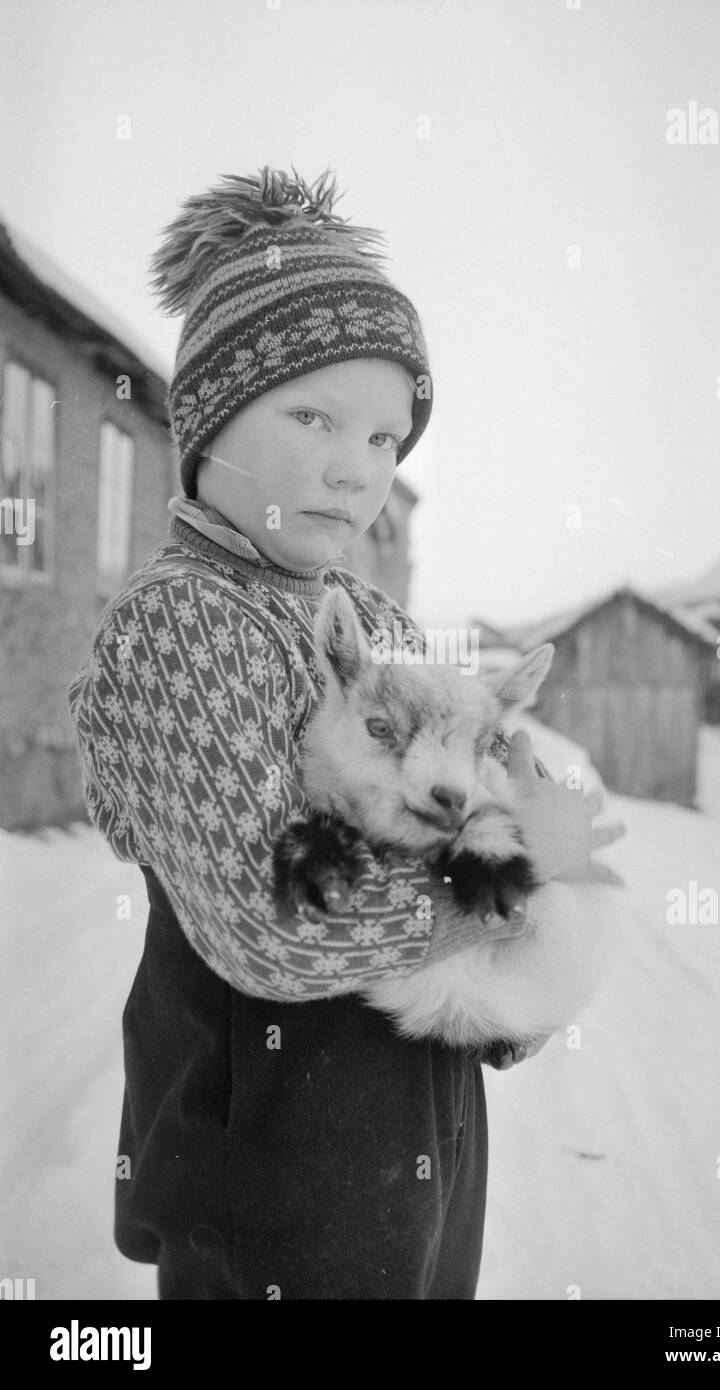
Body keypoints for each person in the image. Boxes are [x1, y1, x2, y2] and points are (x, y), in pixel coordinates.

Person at [67, 166, 623, 1300]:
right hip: (269, 1176)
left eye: (384, 439)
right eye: (313, 417)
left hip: (410, 1147)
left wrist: (526, 957)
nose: (354, 469)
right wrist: (502, 891)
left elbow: (465, 791)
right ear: (212, 419)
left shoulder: (372, 619)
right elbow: (272, 926)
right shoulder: (180, 624)